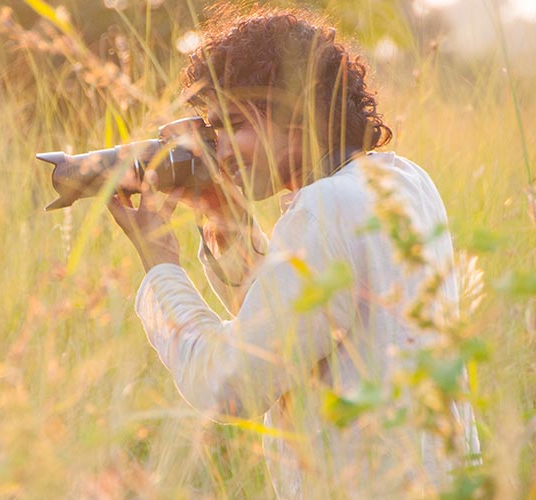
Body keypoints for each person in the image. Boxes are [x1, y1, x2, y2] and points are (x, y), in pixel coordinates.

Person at [107, 5, 480, 498]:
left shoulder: (323, 210)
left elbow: (230, 384)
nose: (218, 150)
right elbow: (295, 331)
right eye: (211, 131)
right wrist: (226, 220)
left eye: (232, 124)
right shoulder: (404, 181)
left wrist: (161, 267)